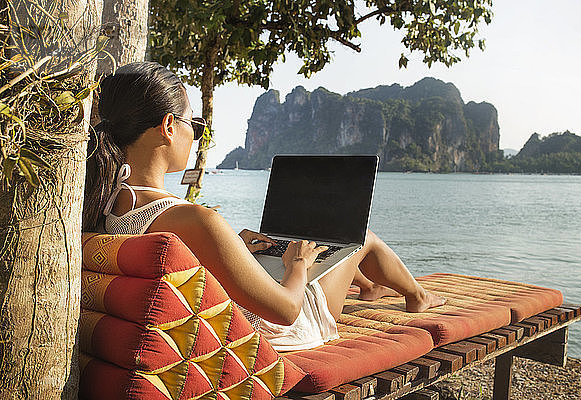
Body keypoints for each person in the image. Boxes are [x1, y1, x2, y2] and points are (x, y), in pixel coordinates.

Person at [83, 61, 445, 351]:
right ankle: (418, 296)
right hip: (274, 329)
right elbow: (287, 310)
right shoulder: (194, 219)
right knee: (359, 237)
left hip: (213, 316)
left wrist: (232, 246)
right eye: (193, 121)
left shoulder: (107, 203)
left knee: (323, 249)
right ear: (167, 126)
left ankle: (368, 286)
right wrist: (298, 264)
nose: (196, 131)